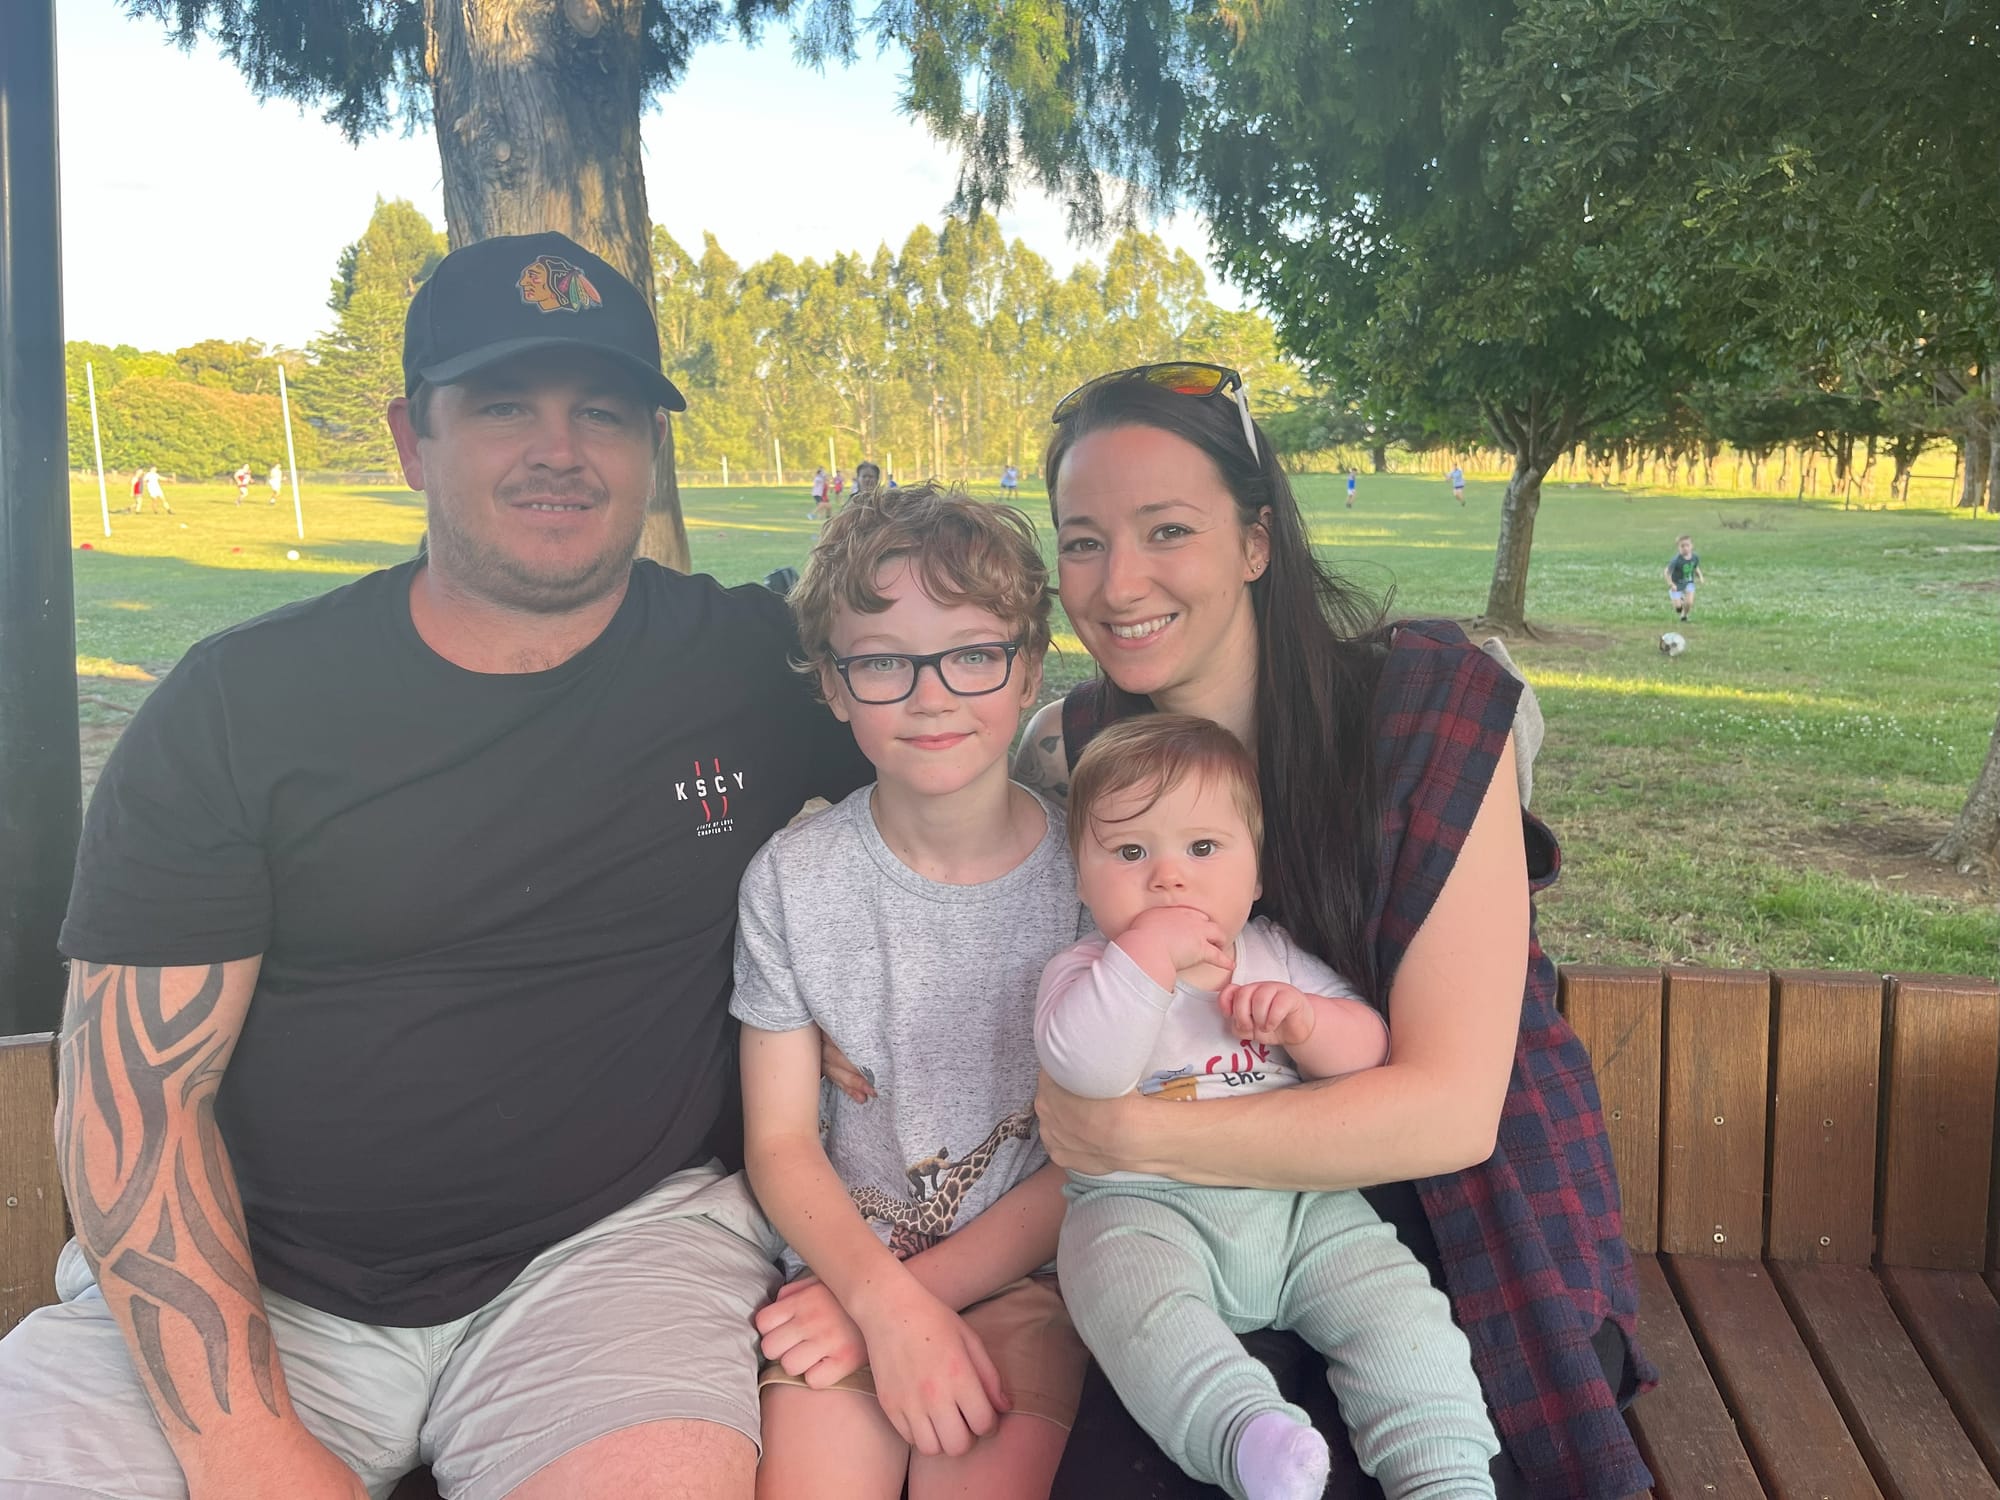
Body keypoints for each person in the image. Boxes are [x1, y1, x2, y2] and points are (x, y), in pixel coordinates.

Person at [0, 230, 871, 1500]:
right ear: (413, 437)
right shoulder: (243, 705)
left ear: (648, 448)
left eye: (605, 413)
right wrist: (248, 1452)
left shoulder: (749, 665)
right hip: (260, 1280)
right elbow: (136, 1100)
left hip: (615, 1256)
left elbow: (971, 745)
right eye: (504, 405)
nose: (559, 449)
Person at [1003, 362, 1651, 1498]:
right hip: (1187, 1229)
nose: (1117, 584)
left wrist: (1131, 1141)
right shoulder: (1092, 747)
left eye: (1166, 530)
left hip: (1455, 1211)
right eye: (1082, 542)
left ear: (1255, 541)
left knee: (1432, 1446)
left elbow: (1450, 1110)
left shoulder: (1426, 710)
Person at [1038, 715, 1498, 1500]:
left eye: (1203, 849)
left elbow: (1370, 1051)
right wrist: (1147, 954)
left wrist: (1308, 1025)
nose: (1168, 878)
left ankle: (1445, 1471)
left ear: (1255, 876)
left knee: (1396, 1309)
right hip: (1145, 1210)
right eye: (1129, 853)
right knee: (1126, 1304)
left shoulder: (1274, 953)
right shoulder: (1084, 973)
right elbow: (1086, 1063)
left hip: (1300, 1205)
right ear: (1081, 878)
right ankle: (1247, 1434)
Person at [734, 484, 1089, 1499]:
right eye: (884, 661)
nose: (930, 696)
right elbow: (780, 1141)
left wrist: (899, 1304)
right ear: (834, 687)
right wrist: (872, 1302)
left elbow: (1091, 1159)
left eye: (973, 654)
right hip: (838, 1269)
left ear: (1026, 669)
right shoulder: (791, 882)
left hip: (1024, 1282)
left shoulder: (1089, 882)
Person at [1664, 535, 1704, 621]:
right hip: (1677, 583)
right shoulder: (1676, 560)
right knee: (1678, 607)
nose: (1685, 548)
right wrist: (1671, 584)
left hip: (1688, 582)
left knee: (1689, 602)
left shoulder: (1695, 557)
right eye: (1682, 546)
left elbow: (1695, 567)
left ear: (1692, 546)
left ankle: (1684, 616)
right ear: (1678, 548)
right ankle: (1680, 602)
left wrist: (1700, 577)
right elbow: (1667, 572)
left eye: (1687, 545)